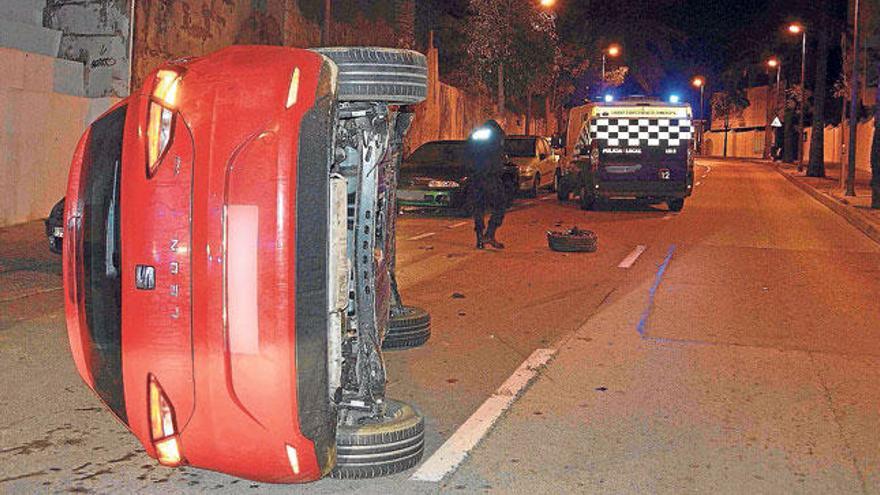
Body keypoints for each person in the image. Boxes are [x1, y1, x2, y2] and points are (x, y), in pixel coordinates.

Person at [466, 120, 508, 249]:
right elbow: (498, 156)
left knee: (479, 207)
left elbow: (468, 154)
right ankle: (489, 234)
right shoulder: (496, 135)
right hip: (490, 177)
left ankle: (479, 238)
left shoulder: (475, 135)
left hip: (476, 178)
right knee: (501, 205)